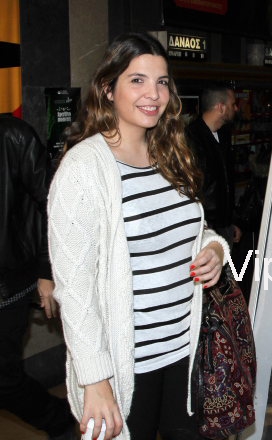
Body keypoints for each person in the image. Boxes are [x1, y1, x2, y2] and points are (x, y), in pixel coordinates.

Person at [47, 33, 230, 440]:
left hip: (183, 352)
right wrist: (95, 379)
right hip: (127, 364)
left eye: (162, 82)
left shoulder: (170, 154)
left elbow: (190, 231)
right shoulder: (83, 168)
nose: (154, 94)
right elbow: (74, 288)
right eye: (137, 80)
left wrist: (215, 248)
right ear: (107, 89)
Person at [0, 115, 77, 439]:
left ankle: (59, 420)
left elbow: (53, 203)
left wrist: (47, 271)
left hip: (8, 284)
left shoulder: (13, 135)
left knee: (4, 378)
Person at [185, 83, 242, 246]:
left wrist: (232, 220)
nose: (236, 108)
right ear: (221, 107)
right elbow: (191, 187)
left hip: (224, 224)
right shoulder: (191, 138)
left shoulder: (224, 134)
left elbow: (227, 181)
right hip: (204, 228)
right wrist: (203, 225)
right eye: (233, 104)